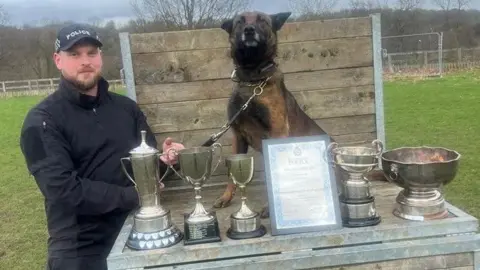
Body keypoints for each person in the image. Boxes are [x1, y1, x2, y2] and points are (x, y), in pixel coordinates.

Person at [19, 24, 185, 270]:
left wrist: (167, 160)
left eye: (91, 53)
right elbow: (62, 190)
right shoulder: (40, 122)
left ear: (100, 57)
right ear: (58, 60)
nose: (85, 61)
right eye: (74, 54)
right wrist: (132, 196)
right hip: (81, 247)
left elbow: (147, 171)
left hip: (138, 230)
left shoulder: (127, 109)